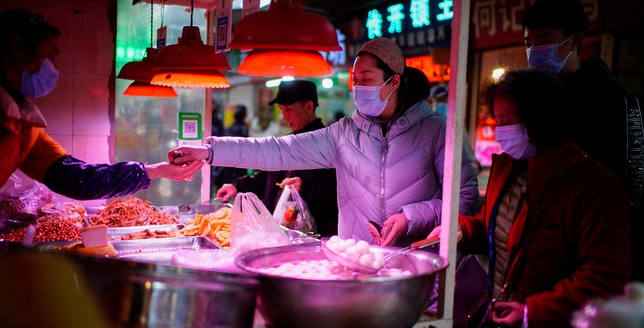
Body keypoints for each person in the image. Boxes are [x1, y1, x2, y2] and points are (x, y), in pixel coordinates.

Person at [172, 37, 480, 246]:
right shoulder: (343, 134)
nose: (358, 88)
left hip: (417, 263)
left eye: (367, 79)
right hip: (358, 261)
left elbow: (464, 200)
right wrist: (210, 150)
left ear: (394, 81)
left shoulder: (439, 131)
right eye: (355, 80)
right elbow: (277, 151)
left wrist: (410, 218)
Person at [430, 69, 631, 328]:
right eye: (496, 120)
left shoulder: (593, 185)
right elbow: (497, 230)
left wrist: (533, 311)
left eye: (507, 121)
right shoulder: (508, 169)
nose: (499, 130)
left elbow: (604, 277)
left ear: (542, 119)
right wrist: (463, 231)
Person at [522, 0, 644, 285]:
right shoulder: (534, 105)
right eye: (528, 44)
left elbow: (636, 186)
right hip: (544, 257)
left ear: (575, 42)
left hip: (598, 253)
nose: (534, 52)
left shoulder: (619, 103)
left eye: (543, 41)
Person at [0, 8, 201, 198]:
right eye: (50, 56)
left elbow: (77, 179)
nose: (54, 68)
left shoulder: (24, 125)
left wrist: (156, 171)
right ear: (18, 48)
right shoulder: (13, 118)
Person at [216, 80, 338, 237]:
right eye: (281, 110)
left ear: (308, 107)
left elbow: (337, 192)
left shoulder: (328, 144)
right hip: (279, 235)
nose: (284, 116)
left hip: (315, 240)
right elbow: (266, 178)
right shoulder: (286, 143)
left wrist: (305, 187)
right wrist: (237, 186)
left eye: (289, 109)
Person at [214, 105, 249, 189]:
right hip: (239, 165)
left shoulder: (229, 128)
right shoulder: (244, 129)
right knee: (237, 187)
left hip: (227, 164)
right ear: (244, 116)